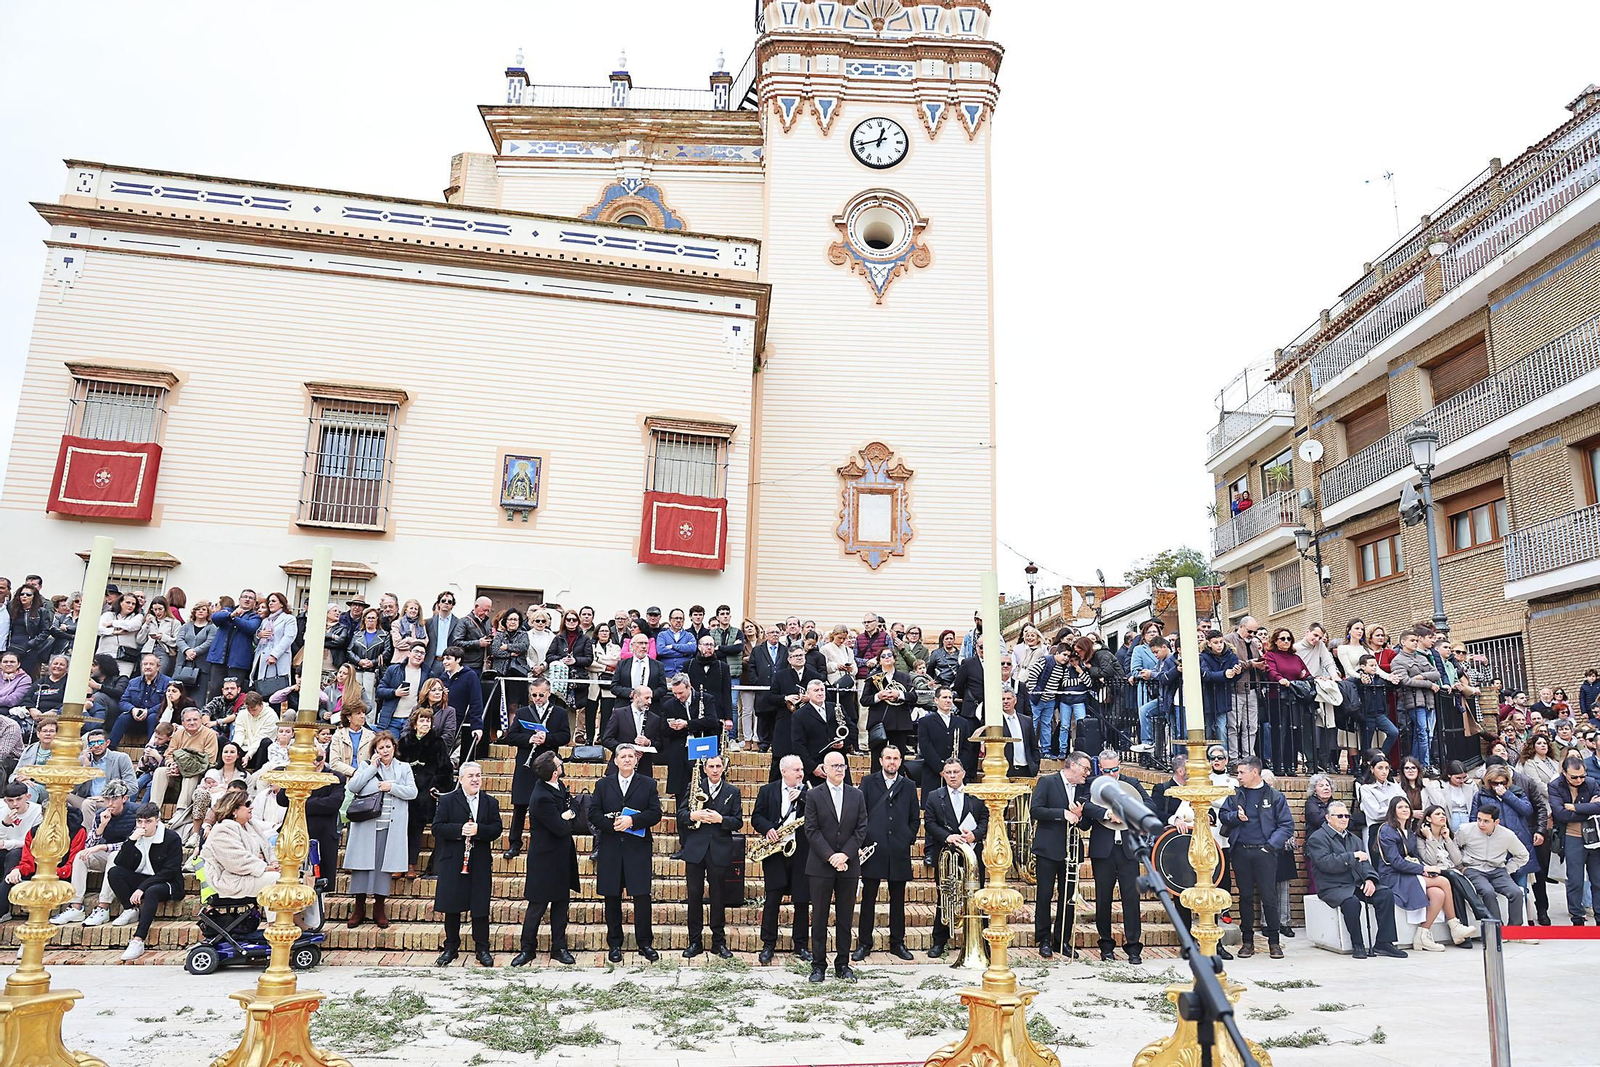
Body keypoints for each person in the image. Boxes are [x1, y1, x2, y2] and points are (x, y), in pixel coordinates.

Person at [1305, 800, 1407, 959]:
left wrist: (1369, 879)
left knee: (1385, 894)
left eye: (1346, 816)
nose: (1344, 819)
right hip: (1333, 886)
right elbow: (1326, 863)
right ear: (1328, 818)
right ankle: (1357, 944)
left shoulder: (1354, 839)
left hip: (1356, 882)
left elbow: (1365, 863)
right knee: (1351, 902)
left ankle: (1384, 943)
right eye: (1339, 816)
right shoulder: (1317, 838)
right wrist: (1352, 857)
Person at [589, 743, 661, 962]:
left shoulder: (648, 784)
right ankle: (614, 944)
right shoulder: (603, 785)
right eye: (623, 756)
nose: (628, 759)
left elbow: (655, 813)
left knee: (641, 896)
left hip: (637, 848)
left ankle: (645, 943)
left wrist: (632, 820)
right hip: (611, 847)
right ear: (616, 761)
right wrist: (611, 825)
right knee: (612, 896)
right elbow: (593, 813)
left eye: (631, 756)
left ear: (636, 760)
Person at [1218, 756, 1293, 960]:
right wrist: (1235, 816)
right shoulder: (1235, 795)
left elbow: (1286, 825)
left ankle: (1274, 942)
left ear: (1254, 772)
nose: (1238, 776)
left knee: (1269, 897)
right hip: (1241, 851)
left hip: (1265, 852)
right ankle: (1248, 941)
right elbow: (1223, 815)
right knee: (1245, 897)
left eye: (1242, 772)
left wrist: (1270, 846)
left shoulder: (1275, 796)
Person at [1376, 796, 1473, 951]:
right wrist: (1423, 870)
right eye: (1400, 807)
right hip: (1393, 875)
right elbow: (1395, 861)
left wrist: (1423, 870)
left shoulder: (1409, 832)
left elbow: (1415, 858)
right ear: (1393, 811)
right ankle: (1454, 925)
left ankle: (1422, 935)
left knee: (1438, 894)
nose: (1405, 810)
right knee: (1443, 881)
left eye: (1407, 807)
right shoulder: (1387, 830)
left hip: (1409, 872)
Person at [804, 749, 867, 983]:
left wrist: (845, 856)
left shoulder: (856, 795)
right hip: (821, 866)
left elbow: (861, 829)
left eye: (842, 765)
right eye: (835, 766)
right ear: (825, 769)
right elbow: (811, 830)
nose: (840, 769)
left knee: (845, 917)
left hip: (848, 866)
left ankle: (843, 964)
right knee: (819, 917)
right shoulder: (814, 795)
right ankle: (818, 965)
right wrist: (831, 856)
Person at [511, 751, 580, 967]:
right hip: (544, 859)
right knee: (537, 906)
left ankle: (559, 948)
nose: (562, 767)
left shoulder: (558, 787)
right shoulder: (541, 796)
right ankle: (527, 948)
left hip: (561, 856)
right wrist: (567, 816)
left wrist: (568, 814)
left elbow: (573, 807)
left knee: (561, 904)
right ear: (552, 772)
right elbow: (560, 828)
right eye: (559, 765)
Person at [431, 761, 502, 967]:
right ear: (460, 779)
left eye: (478, 775)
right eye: (470, 776)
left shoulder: (490, 802)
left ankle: (482, 948)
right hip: (453, 860)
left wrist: (479, 830)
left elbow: (496, 829)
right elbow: (437, 828)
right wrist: (460, 829)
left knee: (480, 906)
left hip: (479, 861)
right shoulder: (448, 801)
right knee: (452, 905)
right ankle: (451, 947)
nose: (475, 779)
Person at [344, 732, 417, 930]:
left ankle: (379, 908)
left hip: (390, 825)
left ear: (394, 748)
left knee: (383, 868)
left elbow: (412, 792)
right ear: (375, 750)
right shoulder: (366, 766)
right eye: (381, 747)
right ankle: (358, 908)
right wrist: (371, 769)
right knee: (361, 867)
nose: (385, 751)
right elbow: (354, 787)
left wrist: (391, 787)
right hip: (367, 824)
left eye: (388, 747)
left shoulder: (404, 768)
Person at [854, 744, 918, 961]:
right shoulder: (868, 782)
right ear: (880, 760)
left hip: (899, 850)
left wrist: (907, 837)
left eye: (896, 758)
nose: (892, 762)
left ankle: (897, 943)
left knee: (898, 899)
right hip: (874, 848)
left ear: (901, 761)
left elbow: (914, 818)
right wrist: (863, 841)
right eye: (888, 758)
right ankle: (864, 943)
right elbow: (860, 814)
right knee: (869, 898)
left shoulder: (908, 785)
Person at [1084, 751, 1147, 964]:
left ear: (1120, 765)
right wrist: (1106, 814)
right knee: (1103, 899)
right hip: (1103, 851)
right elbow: (1084, 807)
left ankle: (1133, 948)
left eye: (1114, 769)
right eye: (1106, 770)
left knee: (1132, 899)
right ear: (1099, 768)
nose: (1111, 774)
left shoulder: (1132, 783)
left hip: (1128, 851)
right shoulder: (1092, 785)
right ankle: (1106, 945)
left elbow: (1150, 806)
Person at [923, 756, 988, 959]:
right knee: (946, 897)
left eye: (955, 772)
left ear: (963, 773)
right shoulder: (934, 796)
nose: (952, 775)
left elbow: (986, 819)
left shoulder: (975, 794)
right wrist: (947, 836)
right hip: (947, 854)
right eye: (948, 772)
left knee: (977, 897)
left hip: (973, 855)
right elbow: (930, 823)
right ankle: (939, 941)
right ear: (943, 774)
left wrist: (975, 834)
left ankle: (982, 941)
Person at [104, 801, 185, 962]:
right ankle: (130, 909)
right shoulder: (136, 836)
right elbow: (121, 863)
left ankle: (138, 940)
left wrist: (142, 887)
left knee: (151, 891)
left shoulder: (171, 838)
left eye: (148, 821)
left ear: (157, 820)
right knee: (114, 872)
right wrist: (131, 841)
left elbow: (170, 871)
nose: (143, 825)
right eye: (140, 821)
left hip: (167, 883)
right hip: (145, 879)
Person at [680, 754, 742, 958]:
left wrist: (720, 819)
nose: (715, 770)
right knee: (694, 896)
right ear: (705, 769)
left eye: (718, 766)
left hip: (719, 850)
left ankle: (718, 942)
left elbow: (738, 822)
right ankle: (694, 942)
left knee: (718, 897)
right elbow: (680, 815)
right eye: (711, 766)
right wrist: (693, 815)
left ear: (723, 768)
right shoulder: (694, 788)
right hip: (696, 850)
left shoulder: (733, 791)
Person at [51, 779, 136, 928]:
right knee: (80, 856)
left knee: (114, 856)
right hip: (108, 855)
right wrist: (101, 827)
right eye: (106, 799)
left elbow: (132, 844)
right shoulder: (100, 815)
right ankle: (76, 906)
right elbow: (89, 845)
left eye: (114, 799)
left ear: (124, 798)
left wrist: (103, 847)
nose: (110, 803)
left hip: (131, 858)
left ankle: (103, 907)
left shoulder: (135, 812)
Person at [1031, 751, 1091, 958]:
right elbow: (1035, 810)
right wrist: (1061, 814)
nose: (1087, 773)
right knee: (1045, 895)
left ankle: (1062, 940)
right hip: (1048, 849)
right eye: (1085, 768)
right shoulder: (1047, 782)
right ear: (1072, 766)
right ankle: (1044, 940)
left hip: (1071, 850)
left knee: (1069, 898)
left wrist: (1081, 816)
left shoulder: (1085, 789)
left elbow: (1084, 824)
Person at [753, 754, 811, 964]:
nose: (801, 773)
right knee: (772, 901)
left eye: (802, 769)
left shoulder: (810, 792)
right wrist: (768, 829)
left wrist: (804, 797)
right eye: (796, 770)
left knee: (802, 901)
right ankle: (768, 945)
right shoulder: (767, 791)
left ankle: (801, 945)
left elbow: (819, 815)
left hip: (801, 854)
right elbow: (756, 817)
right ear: (784, 771)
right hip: (776, 853)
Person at [398, 711, 454, 879]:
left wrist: (435, 786)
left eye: (428, 721)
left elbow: (446, 770)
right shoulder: (404, 743)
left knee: (415, 825)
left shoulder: (438, 743)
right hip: (403, 791)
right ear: (414, 724)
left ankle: (410, 864)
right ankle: (396, 864)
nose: (425, 724)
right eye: (422, 720)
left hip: (425, 793)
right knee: (399, 827)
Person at [1457, 803, 1530, 927]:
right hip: (1473, 869)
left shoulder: (1507, 835)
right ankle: (1497, 928)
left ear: (1496, 822)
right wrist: (1460, 868)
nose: (1481, 824)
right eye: (1479, 819)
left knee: (1516, 892)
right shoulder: (1465, 830)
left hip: (1498, 870)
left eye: (1486, 821)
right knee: (1487, 891)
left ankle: (1515, 929)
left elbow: (1523, 855)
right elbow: (1453, 848)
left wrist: (1508, 869)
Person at [1548, 756, 1600, 924]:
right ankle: (1577, 917)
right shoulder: (1555, 786)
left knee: (1598, 879)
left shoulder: (1591, 783)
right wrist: (1589, 809)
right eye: (1574, 777)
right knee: (1575, 881)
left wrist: (1576, 807)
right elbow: (1560, 814)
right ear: (1564, 773)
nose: (1579, 780)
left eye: (1582, 776)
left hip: (1594, 837)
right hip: (1571, 837)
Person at [149, 707, 219, 824]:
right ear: (183, 722)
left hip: (197, 774)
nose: (192, 722)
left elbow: (210, 760)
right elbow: (169, 754)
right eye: (188, 720)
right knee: (160, 771)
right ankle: (154, 810)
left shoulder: (210, 734)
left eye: (195, 719)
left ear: (201, 720)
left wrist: (183, 768)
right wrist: (171, 765)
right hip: (176, 772)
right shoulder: (178, 734)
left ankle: (180, 811)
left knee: (190, 775)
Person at [1391, 630, 1443, 771]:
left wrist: (1421, 677)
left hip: (1429, 700)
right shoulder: (1398, 660)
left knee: (1425, 733)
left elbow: (1436, 673)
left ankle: (1416, 764)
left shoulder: (1421, 658)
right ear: (1403, 642)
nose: (1415, 642)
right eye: (1412, 640)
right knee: (1423, 732)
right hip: (1413, 700)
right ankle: (1425, 765)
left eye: (1416, 640)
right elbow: (1406, 681)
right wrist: (1429, 684)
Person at [915, 687, 972, 796]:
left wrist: (957, 768)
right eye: (944, 697)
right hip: (934, 773)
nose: (948, 700)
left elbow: (967, 747)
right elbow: (925, 746)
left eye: (950, 697)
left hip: (957, 775)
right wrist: (941, 769)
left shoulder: (962, 722)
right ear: (936, 700)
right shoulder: (925, 722)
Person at [1199, 631, 1241, 749]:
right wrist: (1224, 674)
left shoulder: (1230, 655)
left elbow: (1235, 675)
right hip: (1207, 697)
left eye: (1221, 642)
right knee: (1207, 729)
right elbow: (1205, 675)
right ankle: (1207, 756)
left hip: (1222, 697)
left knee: (1222, 729)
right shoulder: (1203, 657)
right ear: (1209, 643)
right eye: (1216, 642)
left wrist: (1237, 672)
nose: (1219, 645)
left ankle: (1223, 756)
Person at [998, 688, 1040, 778]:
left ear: (1015, 700)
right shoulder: (997, 723)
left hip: (1026, 770)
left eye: (1008, 699)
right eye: (1003, 699)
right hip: (1006, 771)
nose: (1005, 702)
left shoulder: (1026, 720)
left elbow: (1034, 746)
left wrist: (1035, 766)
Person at [423, 592, 465, 673]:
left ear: (452, 605)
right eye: (443, 601)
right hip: (432, 661)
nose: (446, 603)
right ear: (438, 603)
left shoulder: (458, 623)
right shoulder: (429, 622)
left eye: (449, 602)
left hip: (451, 662)